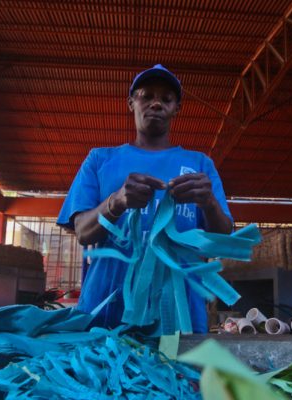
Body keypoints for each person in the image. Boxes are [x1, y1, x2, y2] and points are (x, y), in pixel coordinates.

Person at [57, 64, 233, 333]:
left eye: (166, 99)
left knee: (177, 363)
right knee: (105, 361)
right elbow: (82, 232)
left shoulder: (200, 165)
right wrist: (116, 202)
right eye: (146, 96)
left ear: (176, 108)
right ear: (131, 103)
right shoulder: (100, 159)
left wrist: (209, 203)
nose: (156, 103)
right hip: (108, 310)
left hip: (178, 315)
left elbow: (223, 241)